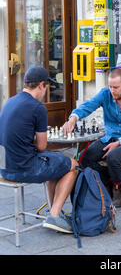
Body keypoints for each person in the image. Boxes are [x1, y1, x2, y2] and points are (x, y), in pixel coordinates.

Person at [0, 66, 78, 234]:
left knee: (54, 160)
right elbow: (42, 146)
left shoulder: (10, 101)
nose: (46, 91)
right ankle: (55, 214)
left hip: (5, 169)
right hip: (24, 169)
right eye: (47, 87)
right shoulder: (38, 107)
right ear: (42, 85)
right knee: (72, 164)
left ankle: (52, 212)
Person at [62, 68, 121, 207]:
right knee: (84, 157)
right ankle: (106, 182)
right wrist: (73, 118)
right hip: (110, 138)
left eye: (116, 87)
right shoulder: (105, 94)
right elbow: (88, 106)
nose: (112, 90)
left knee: (113, 157)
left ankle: (117, 191)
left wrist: (120, 142)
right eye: (110, 86)